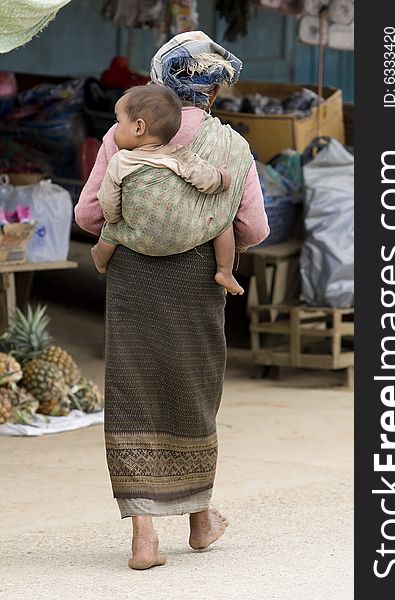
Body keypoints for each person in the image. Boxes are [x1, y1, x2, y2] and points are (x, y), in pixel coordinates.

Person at [75, 31, 269, 571]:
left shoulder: (128, 134)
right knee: (192, 390)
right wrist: (203, 224)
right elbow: (253, 226)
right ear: (210, 87)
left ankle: (144, 540)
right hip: (200, 281)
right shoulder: (232, 145)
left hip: (133, 279)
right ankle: (200, 519)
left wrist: (139, 224)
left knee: (135, 392)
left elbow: (90, 217)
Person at [91, 84, 244, 295]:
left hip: (138, 238)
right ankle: (225, 271)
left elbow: (108, 202)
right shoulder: (178, 154)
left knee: (111, 231)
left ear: (138, 127)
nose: (115, 128)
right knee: (222, 221)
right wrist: (222, 177)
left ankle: (99, 261)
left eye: (118, 121)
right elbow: (207, 181)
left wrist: (116, 219)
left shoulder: (121, 161)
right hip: (185, 237)